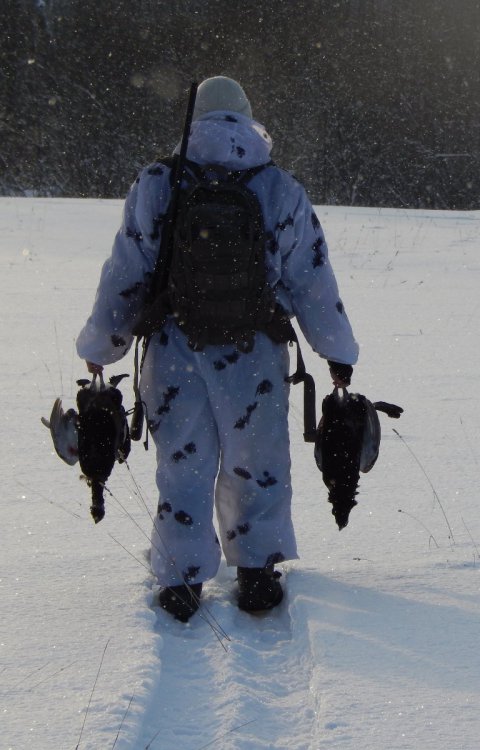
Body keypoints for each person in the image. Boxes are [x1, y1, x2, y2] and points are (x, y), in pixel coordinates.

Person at [76, 76, 359, 622]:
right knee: (257, 464)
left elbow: (126, 272)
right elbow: (313, 280)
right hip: (254, 353)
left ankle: (181, 581)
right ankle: (256, 572)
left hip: (172, 348)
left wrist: (103, 345)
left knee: (182, 465)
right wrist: (337, 352)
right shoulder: (279, 187)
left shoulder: (159, 181)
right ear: (249, 119)